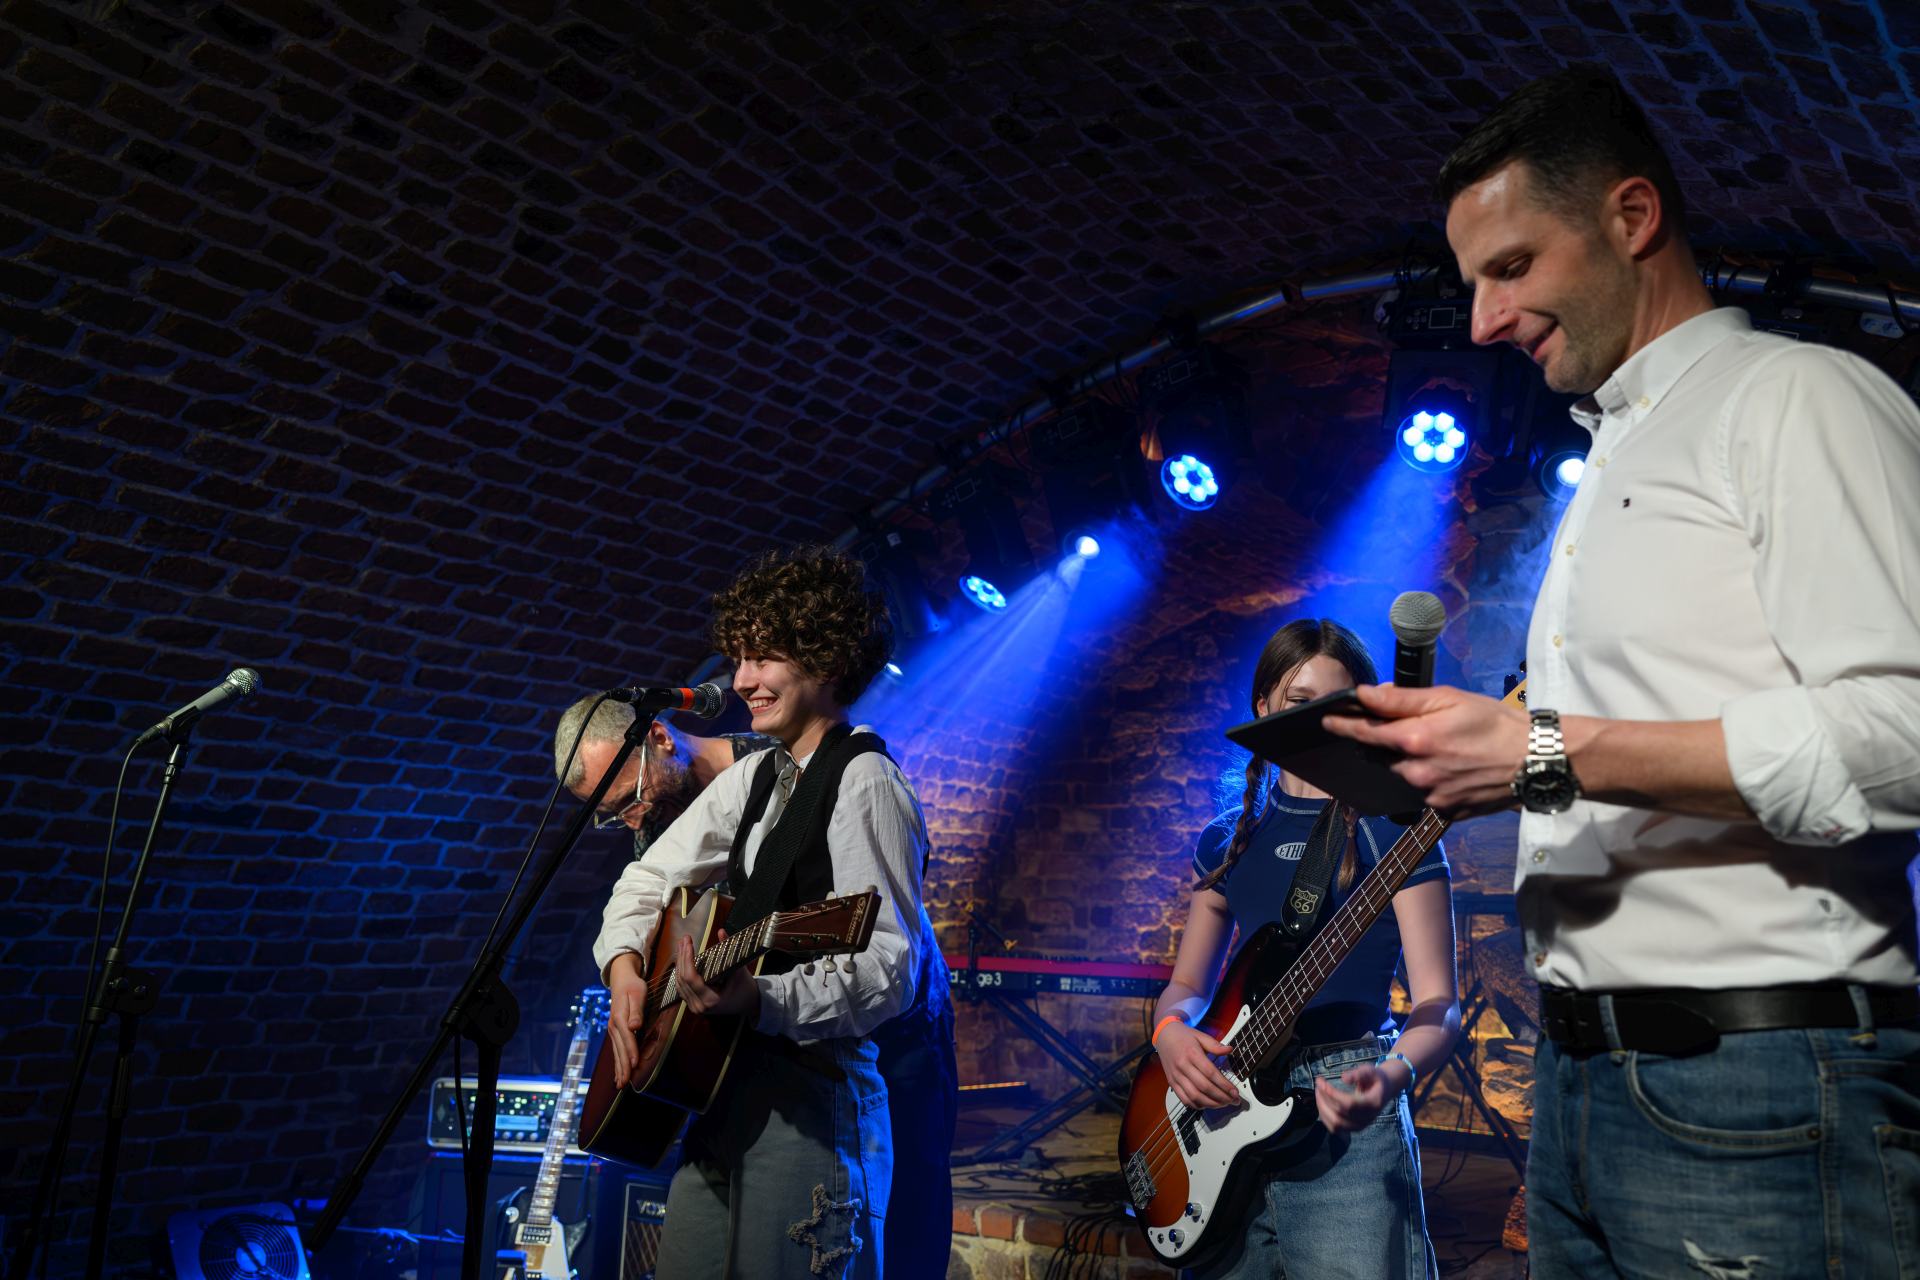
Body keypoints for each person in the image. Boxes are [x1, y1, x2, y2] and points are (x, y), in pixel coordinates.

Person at [1323, 66, 1920, 1277]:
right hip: (1584, 1080)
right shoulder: (1619, 455)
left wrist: (1546, 750)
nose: (1482, 321)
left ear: (1633, 217)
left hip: (1760, 1084)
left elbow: (1904, 736)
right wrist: (1491, 752)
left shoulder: (1798, 397)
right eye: (1471, 283)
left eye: (1510, 267)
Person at [589, 546, 955, 1280]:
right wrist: (625, 968)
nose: (741, 679)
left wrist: (761, 997)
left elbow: (888, 969)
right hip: (722, 1092)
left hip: (816, 1101)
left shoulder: (866, 782)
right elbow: (648, 877)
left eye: (763, 657)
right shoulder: (756, 773)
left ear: (827, 657)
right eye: (739, 658)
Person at [1151, 618, 1460, 1280]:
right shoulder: (1226, 840)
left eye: (1336, 702)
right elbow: (1186, 987)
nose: (1318, 717)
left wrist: (1391, 1077)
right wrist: (1171, 1034)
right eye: (1299, 700)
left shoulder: (1393, 829)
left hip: (1345, 1111)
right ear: (1263, 705)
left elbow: (1440, 1004)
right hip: (1226, 1112)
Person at [553, 697, 768, 857]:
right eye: (615, 812)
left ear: (661, 738)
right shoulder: (653, 837)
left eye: (631, 798)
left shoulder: (779, 762)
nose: (635, 825)